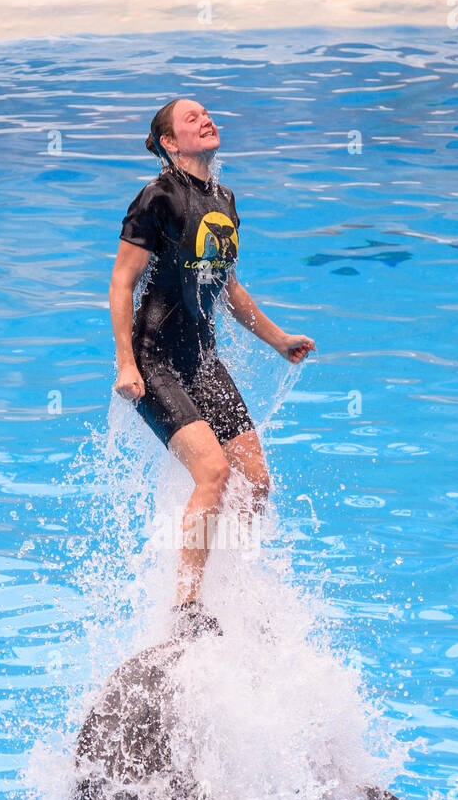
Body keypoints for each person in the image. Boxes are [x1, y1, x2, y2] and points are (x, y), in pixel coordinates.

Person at [109, 97, 315, 635]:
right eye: (190, 118)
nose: (205, 119)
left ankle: (232, 582)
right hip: (155, 361)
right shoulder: (157, 197)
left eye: (206, 113)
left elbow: (226, 285)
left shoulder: (222, 199)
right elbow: (121, 282)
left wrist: (278, 340)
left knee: (257, 482)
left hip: (201, 360)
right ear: (170, 143)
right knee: (214, 472)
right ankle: (186, 606)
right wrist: (126, 363)